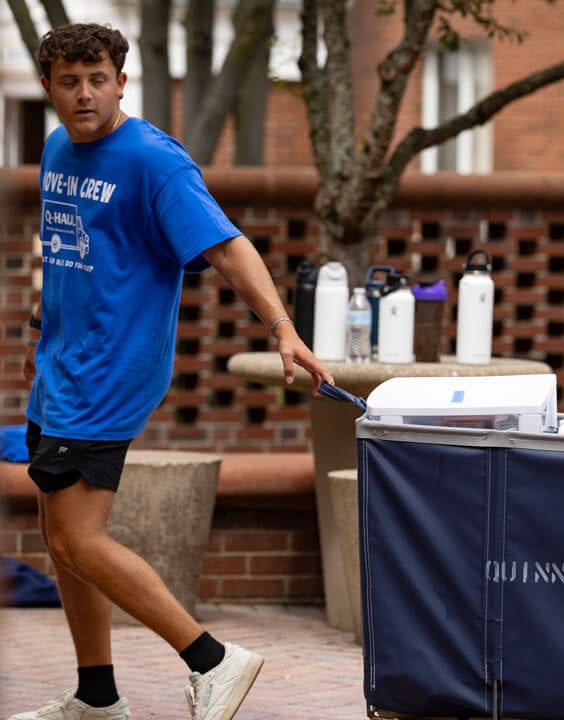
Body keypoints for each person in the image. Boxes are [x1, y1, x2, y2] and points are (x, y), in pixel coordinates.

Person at [14, 23, 334, 720]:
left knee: (77, 536)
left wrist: (283, 329)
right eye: (70, 82)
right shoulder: (58, 147)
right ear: (49, 89)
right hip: (61, 362)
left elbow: (227, 247)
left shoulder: (154, 162)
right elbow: (75, 241)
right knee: (57, 532)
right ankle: (97, 698)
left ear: (122, 81)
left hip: (109, 371)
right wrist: (48, 307)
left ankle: (214, 660)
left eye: (98, 79)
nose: (85, 93)